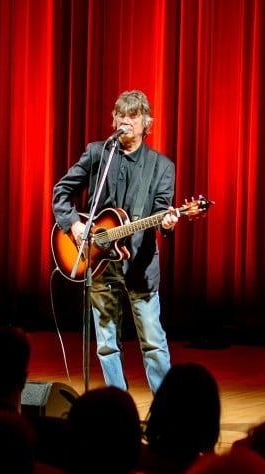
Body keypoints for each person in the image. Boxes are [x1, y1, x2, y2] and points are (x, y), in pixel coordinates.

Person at [52, 89, 180, 393]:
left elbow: (163, 213)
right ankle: (116, 407)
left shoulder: (161, 167)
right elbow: (61, 191)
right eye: (121, 115)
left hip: (140, 266)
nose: (126, 121)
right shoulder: (99, 154)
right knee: (107, 344)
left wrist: (169, 222)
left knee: (152, 342)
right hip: (97, 262)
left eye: (133, 116)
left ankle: (164, 410)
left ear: (146, 122)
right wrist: (74, 225)